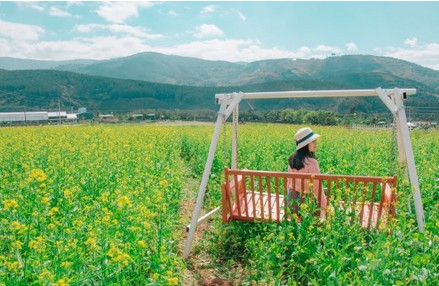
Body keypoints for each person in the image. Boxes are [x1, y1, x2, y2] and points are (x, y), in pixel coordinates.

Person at [287, 127, 329, 220]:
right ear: (305, 144)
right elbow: (317, 187)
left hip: (292, 203)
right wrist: (324, 207)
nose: (315, 144)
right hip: (306, 205)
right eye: (313, 141)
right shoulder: (312, 162)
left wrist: (288, 203)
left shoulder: (292, 159)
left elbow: (289, 183)